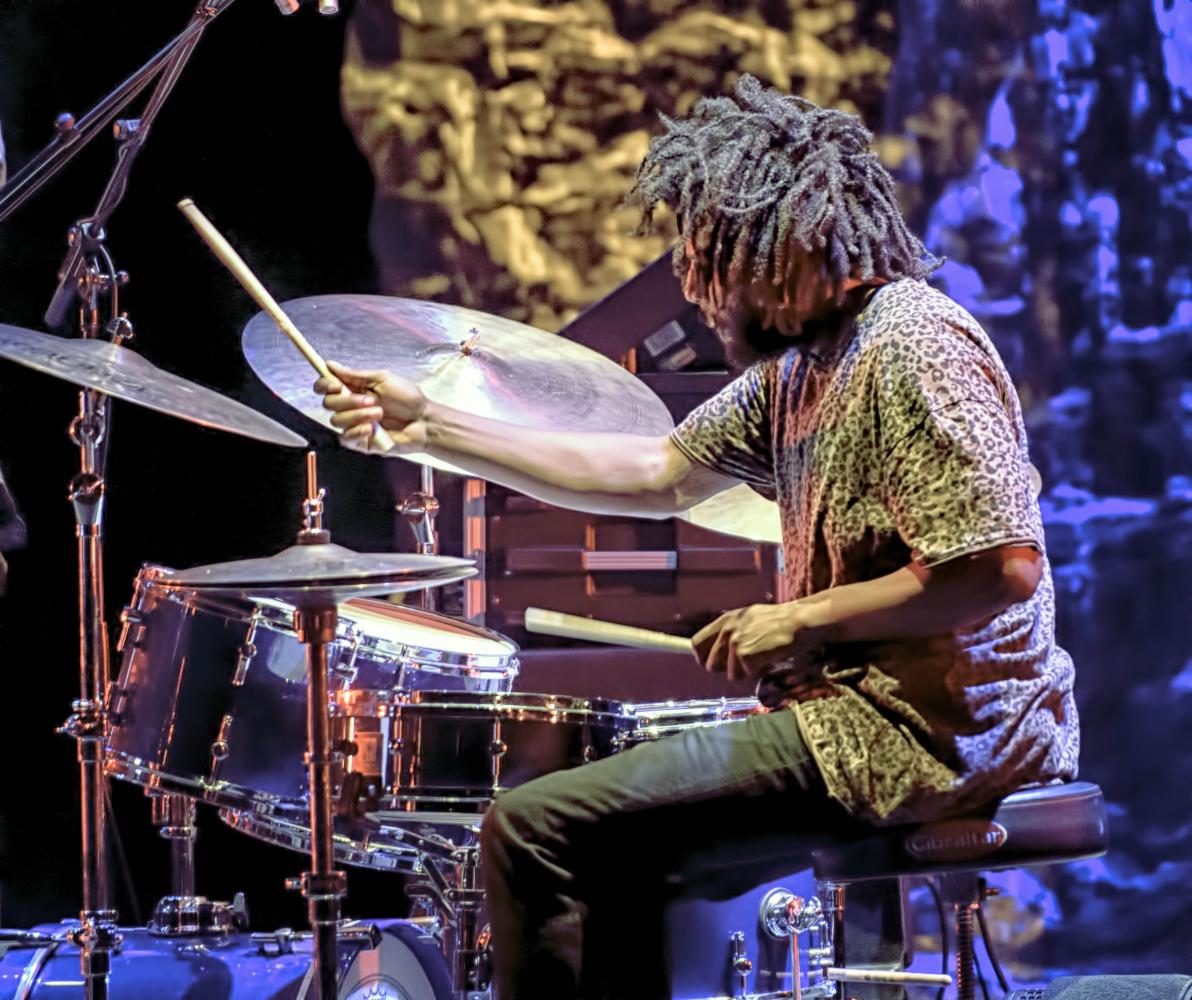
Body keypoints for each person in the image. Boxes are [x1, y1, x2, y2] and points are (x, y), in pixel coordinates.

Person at [314, 75, 1079, 1000]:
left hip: (933, 737)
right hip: (861, 721)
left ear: (784, 247)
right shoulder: (806, 363)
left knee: (531, 828)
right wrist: (427, 424)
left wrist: (798, 622)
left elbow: (998, 569)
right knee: (621, 857)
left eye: (713, 254)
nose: (698, 286)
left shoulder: (911, 349)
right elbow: (653, 473)